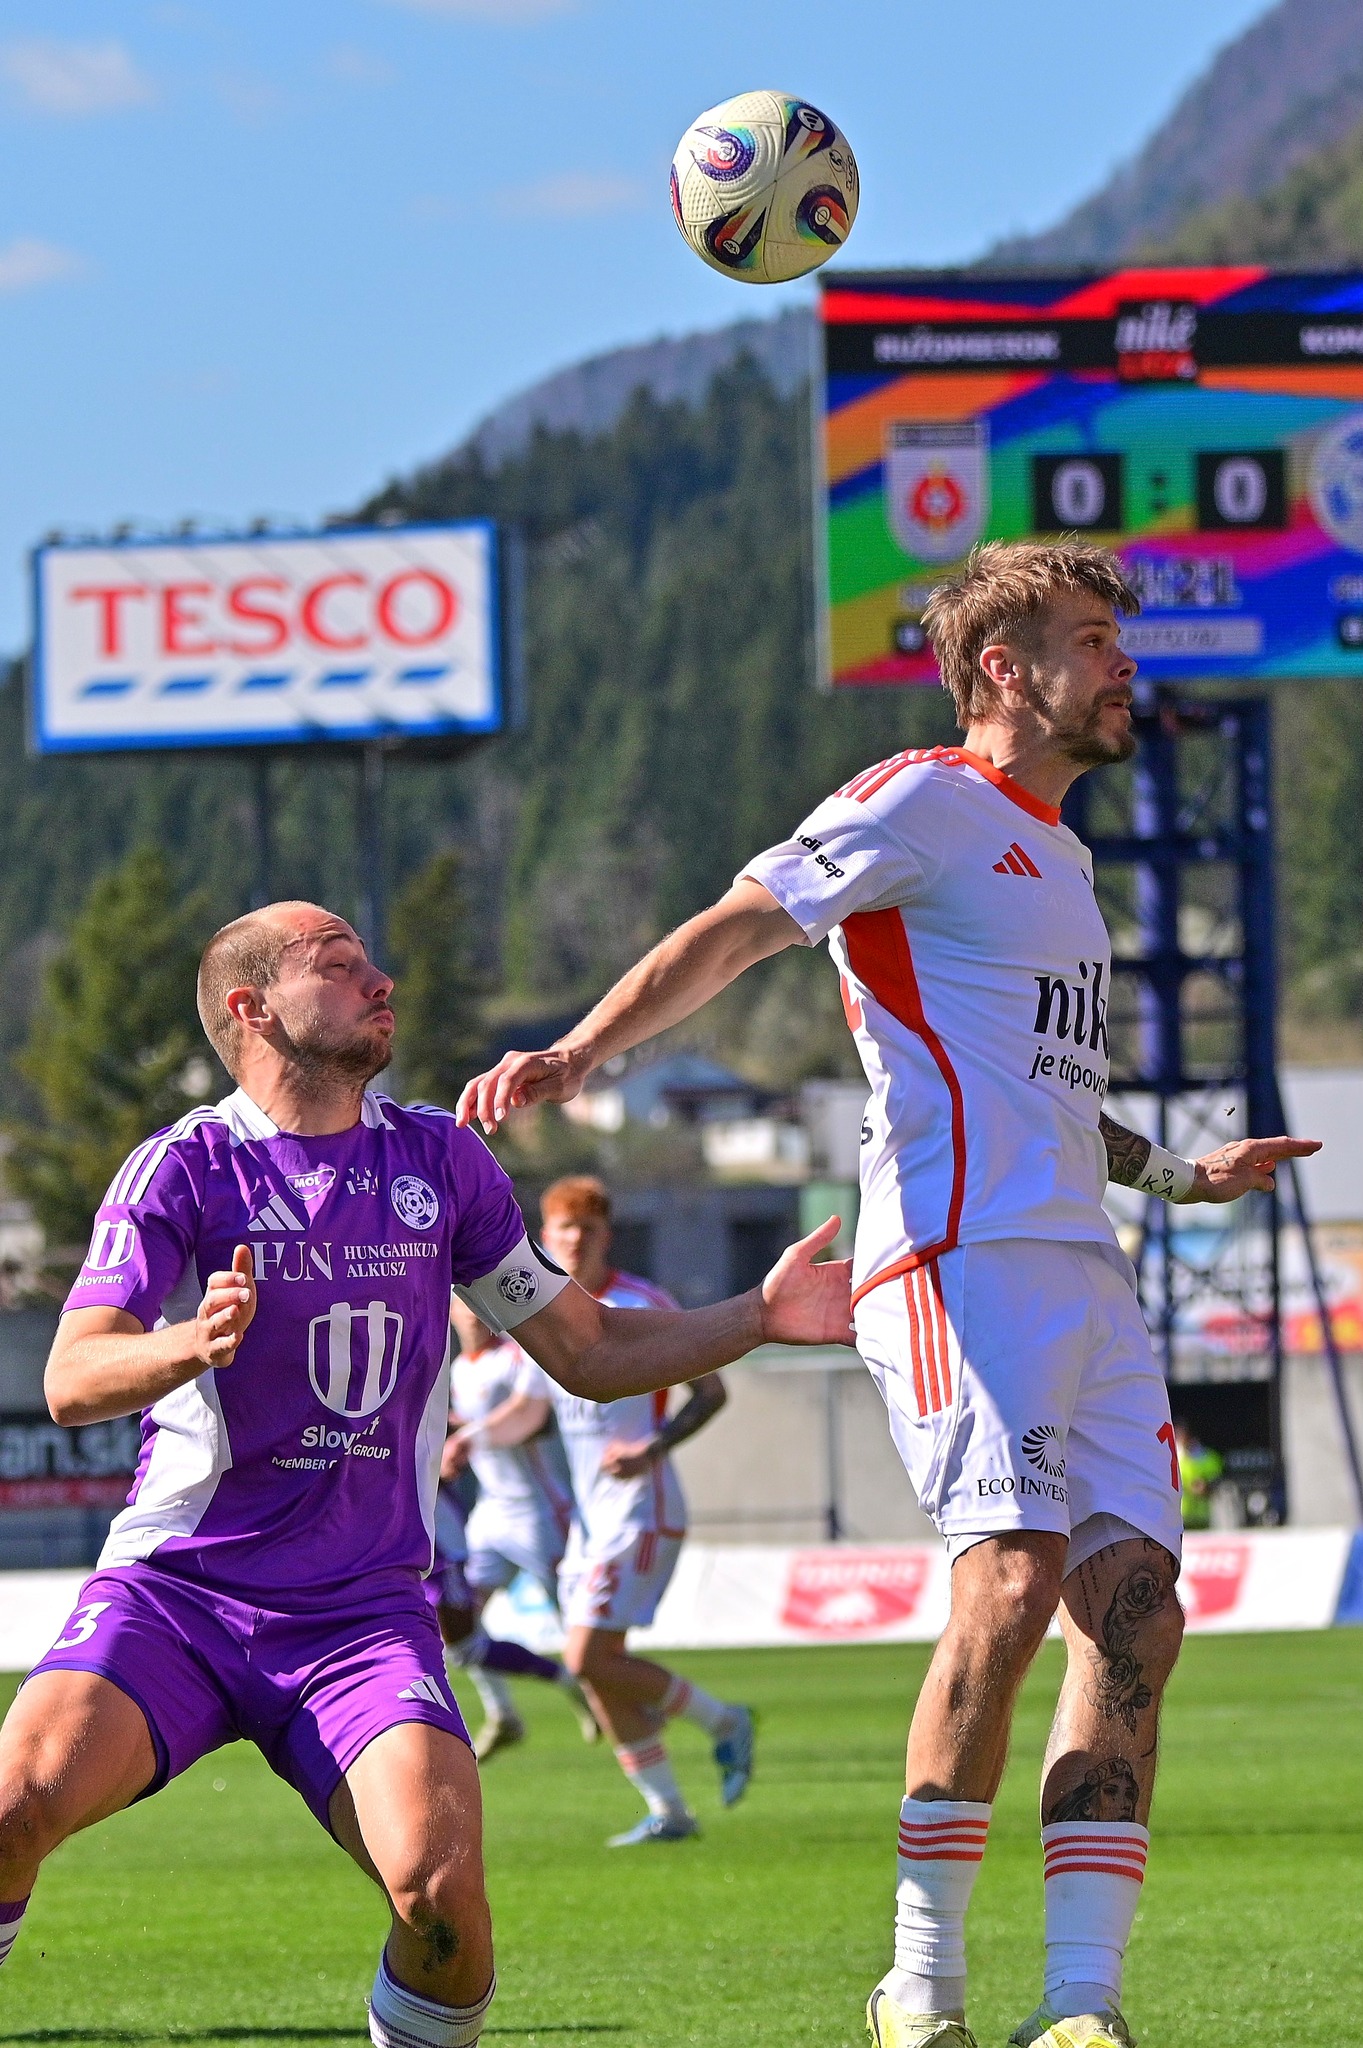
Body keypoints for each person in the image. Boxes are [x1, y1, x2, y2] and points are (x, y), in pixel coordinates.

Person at [458, 541, 1320, 2048]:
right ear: (1002, 668)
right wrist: (583, 1050)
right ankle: (918, 1988)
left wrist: (1183, 1178)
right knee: (1010, 1581)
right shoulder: (915, 800)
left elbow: (1057, 1099)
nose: (1124, 665)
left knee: (1134, 1617)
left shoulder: (1063, 862)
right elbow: (738, 921)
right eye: (1092, 640)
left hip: (1083, 1272)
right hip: (951, 1257)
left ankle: (1081, 2006)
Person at [0, 900, 852, 2047]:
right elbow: (71, 1374)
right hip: (179, 1595)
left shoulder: (439, 1158)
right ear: (252, 1007)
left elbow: (588, 1347)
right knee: (11, 1810)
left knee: (443, 1903)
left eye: (371, 961)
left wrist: (754, 1313)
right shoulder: (185, 1165)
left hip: (361, 1613)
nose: (381, 979)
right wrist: (189, 1343)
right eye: (338, 964)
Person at [539, 1174, 752, 1846]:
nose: (576, 1240)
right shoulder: (540, 1311)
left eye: (588, 1229)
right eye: (564, 1228)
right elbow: (529, 1409)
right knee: (602, 1675)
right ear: (545, 1236)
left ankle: (724, 1720)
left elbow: (711, 1392)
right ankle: (669, 1812)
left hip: (640, 1508)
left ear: (606, 1236)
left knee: (585, 1659)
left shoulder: (639, 1303)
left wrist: (651, 1448)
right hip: (587, 1520)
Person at [438, 1297, 598, 1758]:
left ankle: (615, 1699)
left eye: (475, 1301)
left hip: (539, 1513)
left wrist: (469, 1434)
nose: (471, 1311)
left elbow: (538, 1420)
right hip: (490, 1514)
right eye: (461, 1302)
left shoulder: (518, 1356)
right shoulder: (458, 1369)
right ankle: (503, 1713)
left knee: (581, 1630)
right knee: (460, 1632)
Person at [1172, 1418, 1223, 1531]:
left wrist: (1206, 1486)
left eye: (1181, 1434)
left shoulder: (1209, 1458)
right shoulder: (1171, 1458)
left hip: (1203, 1517)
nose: (1178, 1437)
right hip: (1179, 1517)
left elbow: (1219, 1483)